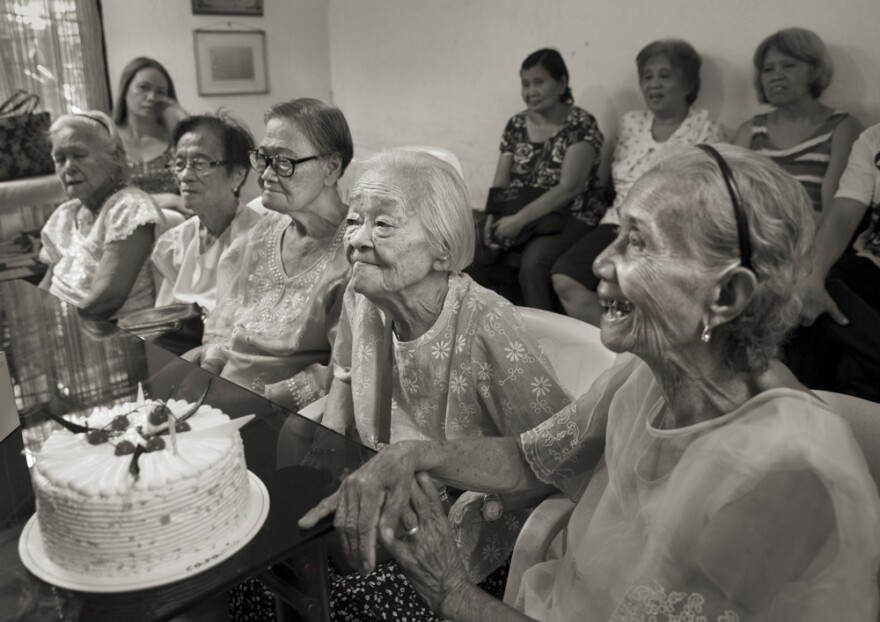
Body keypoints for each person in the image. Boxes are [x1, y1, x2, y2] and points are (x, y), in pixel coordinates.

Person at [300, 145, 880, 621]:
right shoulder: (646, 374)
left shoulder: (780, 473)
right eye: (617, 233)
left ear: (727, 295)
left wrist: (452, 593)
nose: (601, 263)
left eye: (639, 243)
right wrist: (412, 456)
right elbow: (532, 460)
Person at [318, 150, 572, 615]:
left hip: (467, 539)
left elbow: (557, 457)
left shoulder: (484, 323)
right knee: (277, 568)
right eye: (354, 220)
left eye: (383, 225)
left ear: (442, 249)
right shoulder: (364, 298)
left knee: (346, 604)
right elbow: (342, 380)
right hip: (388, 501)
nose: (357, 239)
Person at [552, 39, 725, 326]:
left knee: (638, 291)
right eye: (647, 76)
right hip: (616, 223)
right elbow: (599, 178)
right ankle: (624, 346)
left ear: (687, 83)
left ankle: (645, 347)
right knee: (565, 278)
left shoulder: (707, 129)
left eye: (664, 75)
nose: (653, 84)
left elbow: (711, 197)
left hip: (670, 232)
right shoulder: (630, 123)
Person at [198, 98, 352, 412]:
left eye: (283, 162)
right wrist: (207, 375)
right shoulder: (261, 233)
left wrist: (259, 402)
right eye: (263, 158)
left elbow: (343, 371)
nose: (266, 175)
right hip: (219, 401)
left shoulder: (356, 252)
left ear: (331, 168)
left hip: (288, 420)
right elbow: (223, 320)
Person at [466, 48, 605, 311]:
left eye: (539, 82)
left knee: (534, 263)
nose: (531, 91)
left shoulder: (581, 124)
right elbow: (501, 178)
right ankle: (483, 324)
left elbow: (569, 188)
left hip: (570, 213)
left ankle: (542, 341)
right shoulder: (516, 124)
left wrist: (519, 221)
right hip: (519, 207)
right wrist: (493, 217)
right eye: (526, 84)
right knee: (472, 246)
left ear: (562, 83)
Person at [39, 111, 165, 319]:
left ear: (114, 157)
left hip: (112, 336)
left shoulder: (130, 207)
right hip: (66, 329)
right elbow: (46, 286)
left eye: (79, 155)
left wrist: (57, 329)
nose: (69, 168)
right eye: (60, 159)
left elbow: (106, 300)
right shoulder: (65, 214)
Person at [789, 122, 880, 403]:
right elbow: (842, 216)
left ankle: (809, 412)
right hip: (868, 272)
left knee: (855, 369)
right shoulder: (872, 140)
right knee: (815, 286)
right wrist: (811, 277)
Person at [734, 28, 861, 225]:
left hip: (810, 247)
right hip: (753, 245)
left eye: (788, 66)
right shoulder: (749, 131)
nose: (776, 76)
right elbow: (732, 204)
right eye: (768, 69)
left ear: (814, 71)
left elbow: (832, 216)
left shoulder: (843, 129)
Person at [151, 113, 261, 312]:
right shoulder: (174, 245)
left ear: (238, 173)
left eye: (199, 164)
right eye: (179, 164)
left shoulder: (261, 241)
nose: (185, 176)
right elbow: (164, 320)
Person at [112, 57, 188, 213]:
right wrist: (170, 199)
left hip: (177, 227)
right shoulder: (107, 138)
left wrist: (179, 113)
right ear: (125, 90)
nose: (152, 97)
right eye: (143, 87)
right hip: (123, 229)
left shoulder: (175, 140)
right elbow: (105, 199)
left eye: (160, 92)